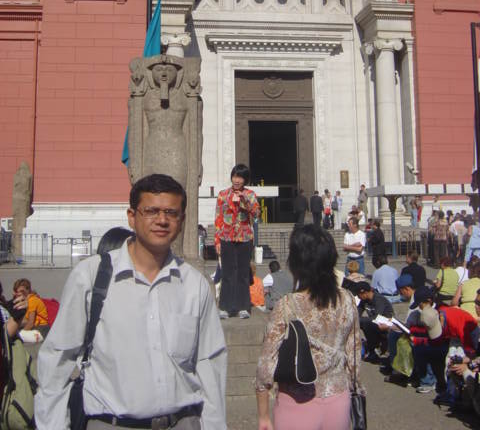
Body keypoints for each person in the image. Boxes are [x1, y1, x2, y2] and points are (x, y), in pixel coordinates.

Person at [35, 173, 227, 430]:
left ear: (182, 221)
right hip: (112, 423)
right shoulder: (91, 276)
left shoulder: (194, 284)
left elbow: (210, 362)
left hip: (183, 422)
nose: (162, 220)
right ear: (131, 216)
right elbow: (57, 360)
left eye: (171, 213)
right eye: (151, 211)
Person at [255, 225, 362, 430]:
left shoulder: (287, 305)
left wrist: (263, 415)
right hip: (338, 400)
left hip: (297, 401)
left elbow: (266, 364)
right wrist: (355, 387)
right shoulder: (347, 300)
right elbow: (354, 356)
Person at [215, 163, 260, 319]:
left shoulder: (250, 194)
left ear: (245, 180)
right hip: (226, 237)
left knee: (243, 273)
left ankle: (243, 307)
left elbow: (256, 214)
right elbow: (218, 218)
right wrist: (217, 241)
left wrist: (245, 201)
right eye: (235, 176)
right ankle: (225, 307)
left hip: (245, 237)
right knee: (227, 272)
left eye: (240, 177)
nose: (237, 180)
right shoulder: (222, 195)